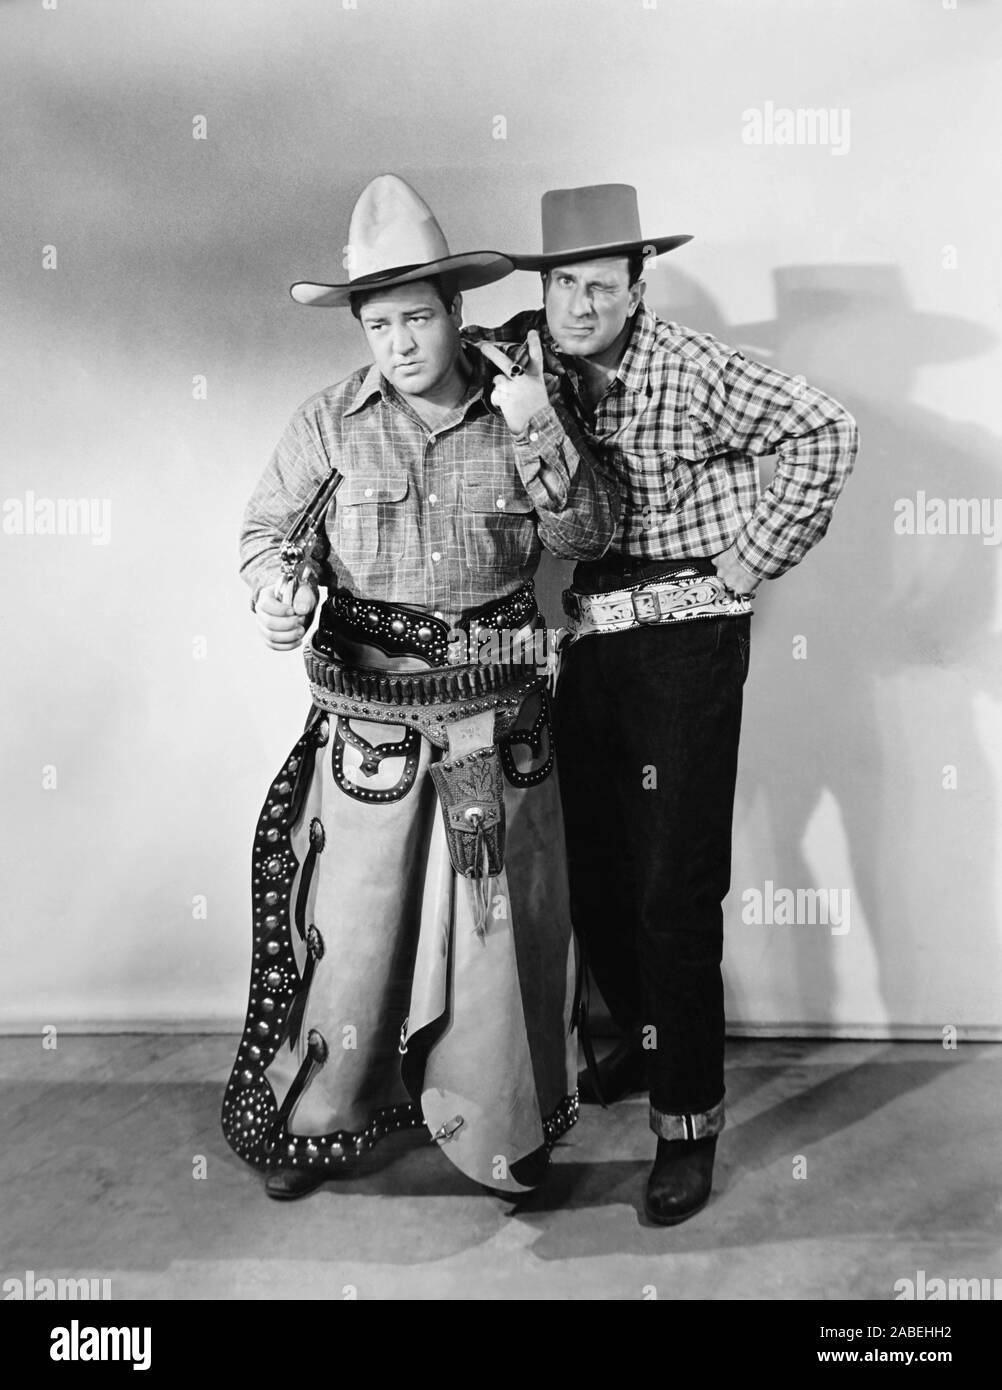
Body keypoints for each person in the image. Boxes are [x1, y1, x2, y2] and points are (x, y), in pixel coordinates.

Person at [220, 175, 620, 1201]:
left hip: (497, 723)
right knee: (353, 934)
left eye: (416, 318)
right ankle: (323, 1124)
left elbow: (587, 538)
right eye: (378, 322)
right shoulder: (329, 423)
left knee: (500, 935)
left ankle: (503, 1134)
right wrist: (277, 589)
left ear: (456, 312)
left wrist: (536, 421)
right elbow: (267, 536)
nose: (398, 343)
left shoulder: (525, 405)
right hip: (371, 726)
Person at [469, 183, 859, 1224]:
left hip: (687, 640)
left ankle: (688, 1119)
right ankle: (643, 1050)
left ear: (639, 286)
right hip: (590, 635)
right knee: (595, 871)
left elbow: (827, 429)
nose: (580, 302)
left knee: (672, 891)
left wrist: (746, 557)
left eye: (602, 283)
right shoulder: (532, 362)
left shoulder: (691, 366)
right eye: (564, 283)